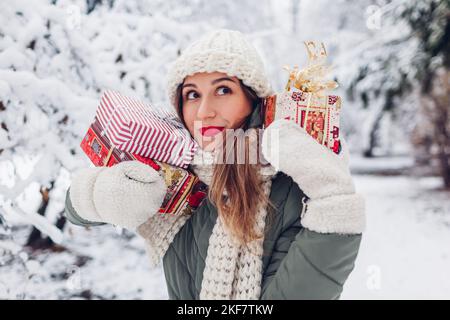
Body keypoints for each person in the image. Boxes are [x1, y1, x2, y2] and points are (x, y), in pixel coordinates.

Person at [65, 29, 365, 300]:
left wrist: (334, 200)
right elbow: (74, 211)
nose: (204, 111)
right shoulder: (174, 172)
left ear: (253, 100)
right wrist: (100, 197)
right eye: (192, 94)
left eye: (223, 90)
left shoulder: (290, 185)